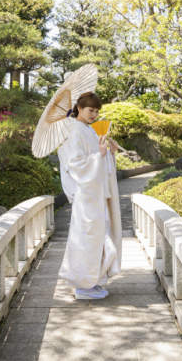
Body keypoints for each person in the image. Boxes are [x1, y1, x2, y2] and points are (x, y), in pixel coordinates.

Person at [57, 92, 123, 300]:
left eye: (96, 111)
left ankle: (93, 280)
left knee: (98, 236)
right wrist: (98, 156)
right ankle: (82, 285)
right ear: (78, 107)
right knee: (87, 237)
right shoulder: (73, 130)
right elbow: (75, 164)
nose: (94, 114)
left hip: (95, 193)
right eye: (90, 110)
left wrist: (109, 154)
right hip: (85, 195)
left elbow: (97, 159)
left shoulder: (88, 130)